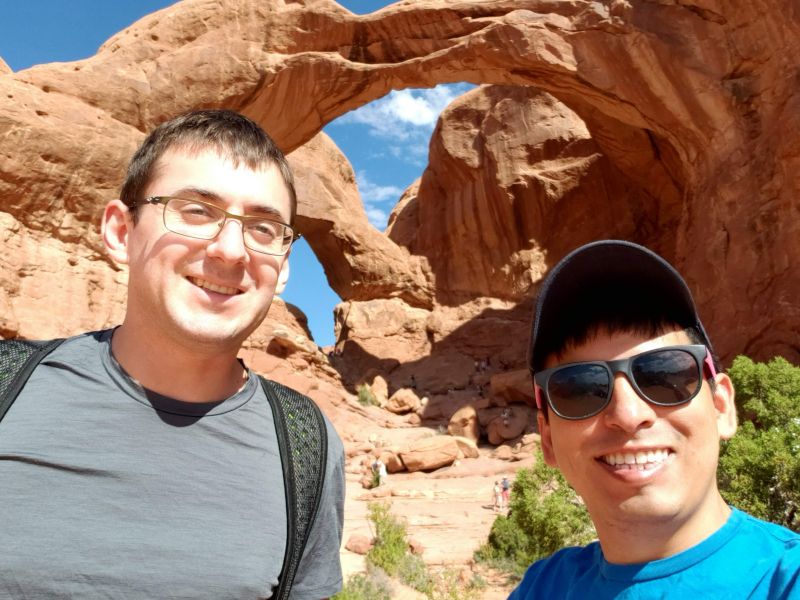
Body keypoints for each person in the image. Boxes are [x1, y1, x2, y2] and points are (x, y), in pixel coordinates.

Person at [0, 110, 345, 599]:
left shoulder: (307, 446)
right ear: (121, 232)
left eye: (264, 228)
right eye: (197, 210)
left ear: (284, 267)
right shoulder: (8, 389)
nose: (231, 250)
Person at [510, 240, 800, 599]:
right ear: (549, 441)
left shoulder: (784, 580)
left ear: (722, 407)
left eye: (665, 376)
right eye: (582, 387)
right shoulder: (543, 586)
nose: (628, 415)